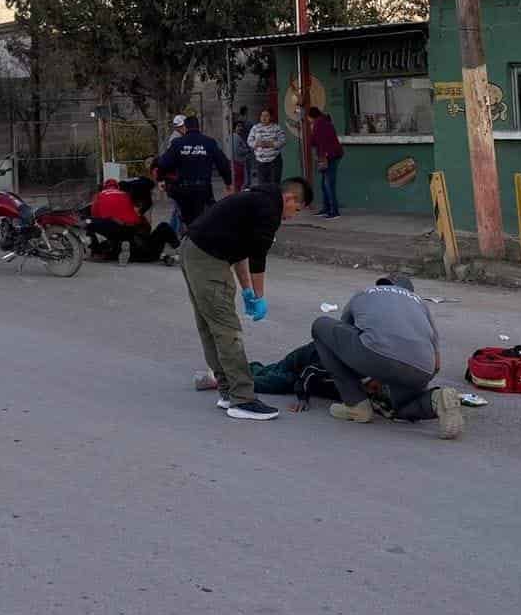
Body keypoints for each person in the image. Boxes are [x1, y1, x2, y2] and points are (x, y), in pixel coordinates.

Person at [180, 176, 312, 421]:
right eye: (297, 209)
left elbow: (241, 251)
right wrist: (260, 297)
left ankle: (228, 392)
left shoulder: (256, 198)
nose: (293, 215)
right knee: (227, 330)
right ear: (290, 198)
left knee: (211, 327)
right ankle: (243, 399)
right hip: (208, 258)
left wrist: (247, 290)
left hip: (194, 250)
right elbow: (258, 257)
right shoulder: (270, 209)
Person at [310, 274, 464, 439]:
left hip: (377, 355)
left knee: (320, 325)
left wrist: (371, 376)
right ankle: (437, 399)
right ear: (409, 292)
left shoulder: (365, 293)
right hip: (422, 368)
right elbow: (437, 362)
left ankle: (356, 405)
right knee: (402, 409)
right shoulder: (420, 304)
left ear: (382, 285)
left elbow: (344, 337)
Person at [154, 115, 232, 228]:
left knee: (188, 222)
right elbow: (223, 163)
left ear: (185, 127)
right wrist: (228, 182)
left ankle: (189, 239)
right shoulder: (209, 142)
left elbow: (163, 163)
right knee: (205, 220)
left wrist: (160, 179)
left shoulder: (178, 143)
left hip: (184, 189)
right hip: (204, 190)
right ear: (198, 127)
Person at [307, 106, 344, 218]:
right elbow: (314, 141)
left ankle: (334, 211)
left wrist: (323, 157)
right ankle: (326, 208)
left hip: (329, 156)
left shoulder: (320, 124)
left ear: (311, 116)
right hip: (330, 155)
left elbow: (322, 142)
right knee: (325, 184)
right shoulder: (321, 122)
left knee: (328, 184)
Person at [246, 108, 287, 188]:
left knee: (274, 184)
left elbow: (283, 141)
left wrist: (271, 144)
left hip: (274, 161)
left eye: (266, 116)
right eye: (262, 116)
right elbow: (249, 141)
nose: (264, 118)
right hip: (260, 162)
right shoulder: (255, 128)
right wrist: (257, 144)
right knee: (262, 185)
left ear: (271, 117)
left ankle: (274, 200)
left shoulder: (276, 128)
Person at [229, 107, 254, 194]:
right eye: (239, 126)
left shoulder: (238, 131)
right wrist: (248, 150)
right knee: (244, 175)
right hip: (241, 158)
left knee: (245, 174)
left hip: (242, 156)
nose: (241, 128)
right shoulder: (247, 124)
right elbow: (238, 149)